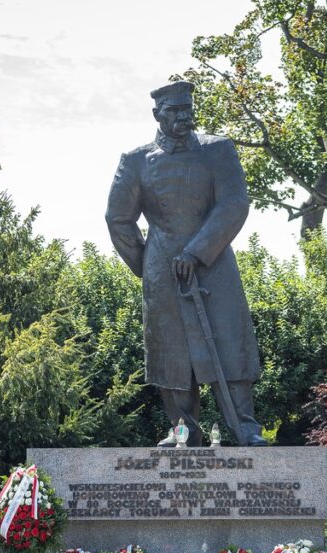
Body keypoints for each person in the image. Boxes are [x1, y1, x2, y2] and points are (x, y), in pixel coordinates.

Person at [105, 81, 266, 447]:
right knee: (171, 354)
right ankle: (183, 429)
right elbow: (118, 219)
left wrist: (196, 252)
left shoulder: (218, 150)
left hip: (214, 261)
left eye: (187, 108)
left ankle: (244, 425)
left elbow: (234, 204)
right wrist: (147, 265)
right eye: (174, 110)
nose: (184, 116)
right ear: (157, 115)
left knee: (229, 343)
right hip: (163, 270)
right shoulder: (135, 160)